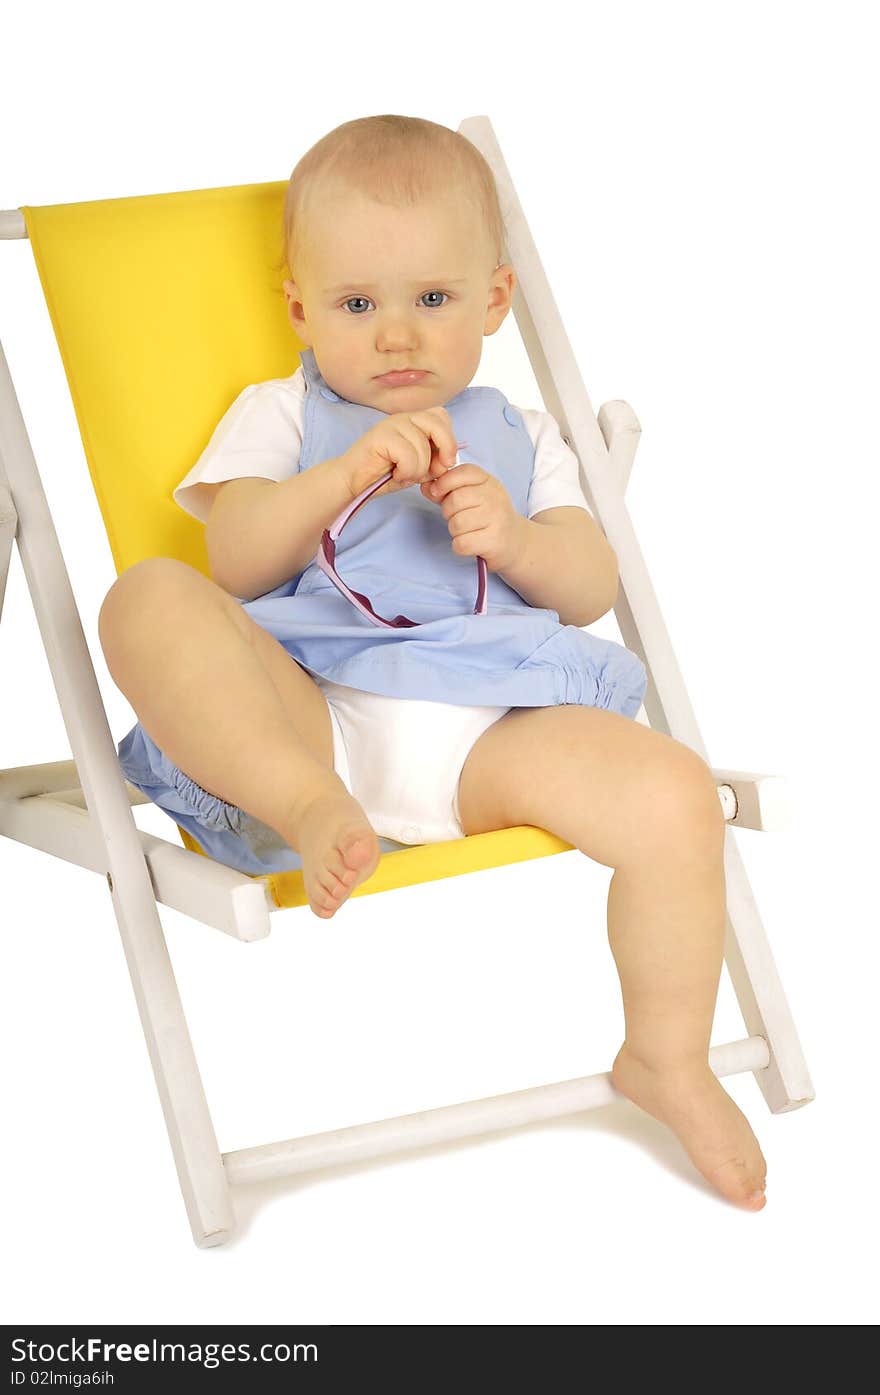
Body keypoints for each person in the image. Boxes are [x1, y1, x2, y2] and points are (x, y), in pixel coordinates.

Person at [97, 114, 767, 1212]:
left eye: (434, 301)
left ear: (496, 302)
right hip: (302, 717)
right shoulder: (281, 413)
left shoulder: (524, 433)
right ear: (301, 310)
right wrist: (338, 474)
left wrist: (514, 539)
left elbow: (592, 586)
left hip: (489, 733)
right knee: (148, 597)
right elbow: (234, 556)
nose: (396, 337)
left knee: (673, 793)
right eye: (358, 306)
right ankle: (311, 809)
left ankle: (668, 1056)